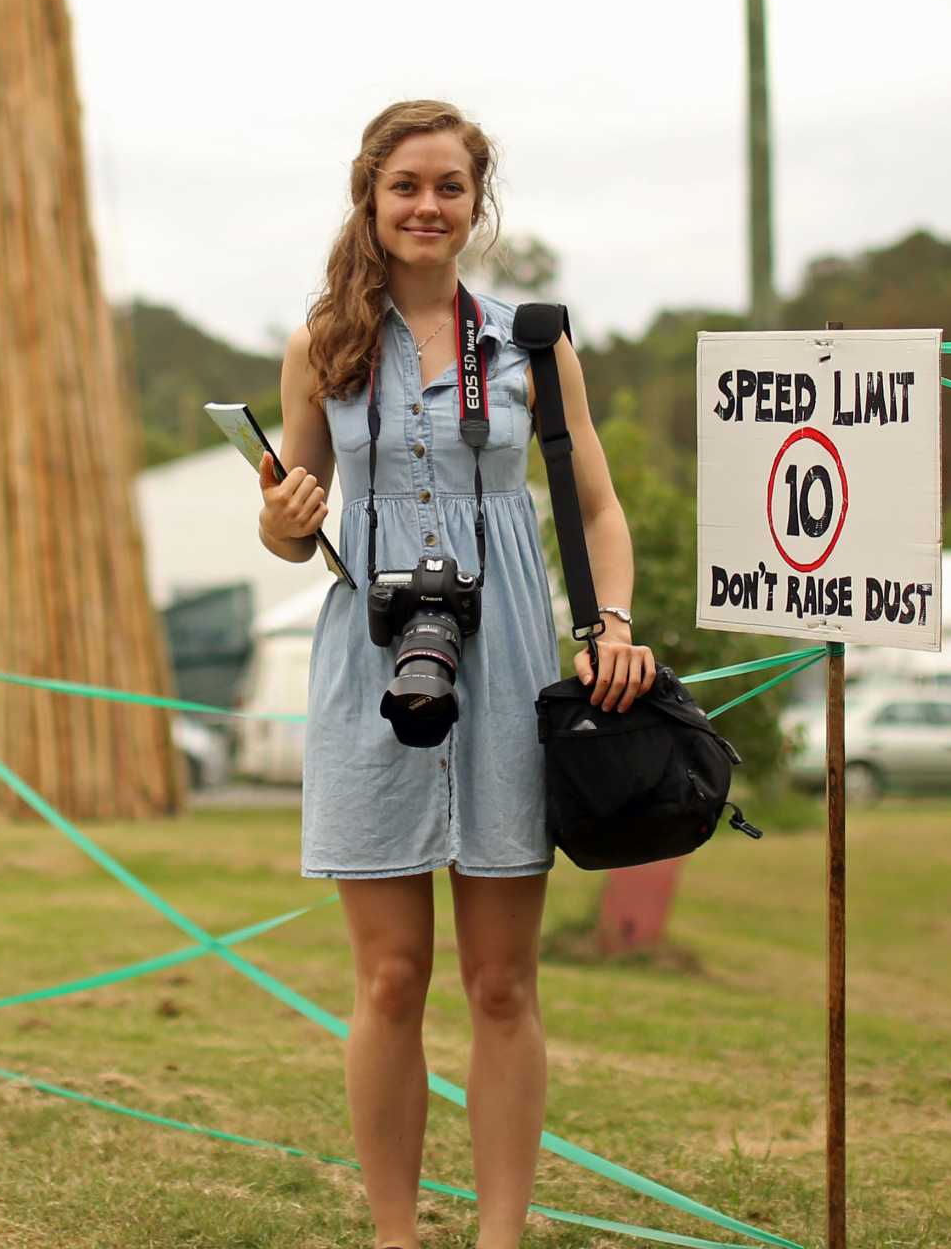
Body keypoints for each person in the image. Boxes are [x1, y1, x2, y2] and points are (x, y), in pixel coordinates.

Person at [255, 100, 657, 1249]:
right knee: (388, 979)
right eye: (407, 185)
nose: (428, 206)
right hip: (369, 659)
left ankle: (501, 1235)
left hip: (514, 657)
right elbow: (297, 532)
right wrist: (284, 516)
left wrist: (612, 619)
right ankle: (395, 1232)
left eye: (450, 187)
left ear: (477, 203)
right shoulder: (322, 342)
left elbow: (596, 503)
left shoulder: (533, 340)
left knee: (500, 982)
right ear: (369, 197)